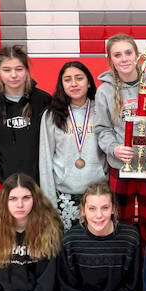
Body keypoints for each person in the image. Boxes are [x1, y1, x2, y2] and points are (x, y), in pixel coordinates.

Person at [93, 33, 146, 241]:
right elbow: (102, 129)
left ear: (137, 55)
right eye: (117, 55)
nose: (124, 59)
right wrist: (114, 148)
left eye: (128, 53)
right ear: (110, 60)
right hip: (121, 166)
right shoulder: (104, 92)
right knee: (120, 223)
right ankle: (125, 268)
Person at [0, 45, 51, 203]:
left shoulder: (43, 101)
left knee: (39, 227)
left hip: (38, 180)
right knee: (6, 227)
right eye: (7, 70)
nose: (14, 75)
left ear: (27, 70)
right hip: (1, 178)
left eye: (19, 69)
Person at [39, 61, 109, 229]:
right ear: (61, 85)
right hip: (65, 194)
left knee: (95, 245)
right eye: (68, 80)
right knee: (67, 247)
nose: (74, 84)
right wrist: (49, 203)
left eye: (79, 78)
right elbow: (45, 159)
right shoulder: (51, 115)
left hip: (98, 193)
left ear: (89, 82)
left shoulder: (102, 111)